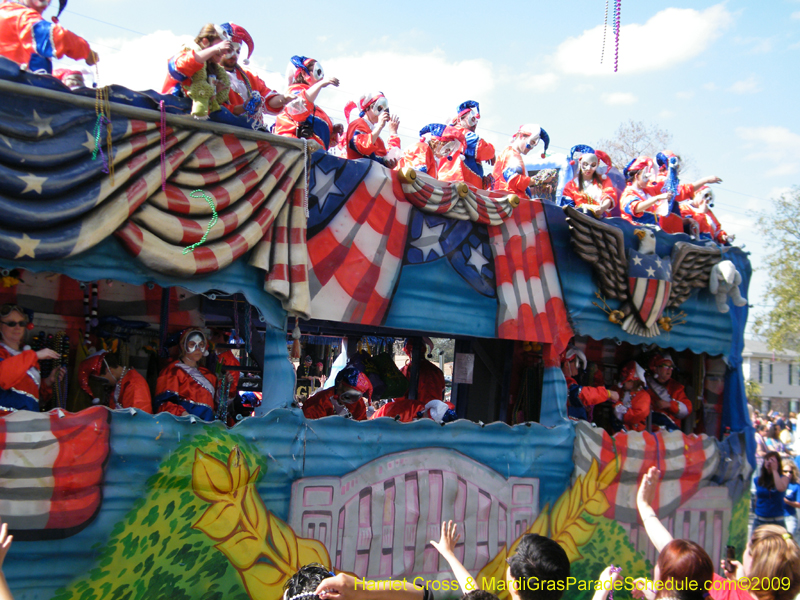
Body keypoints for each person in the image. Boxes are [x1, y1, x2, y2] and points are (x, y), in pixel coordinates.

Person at [632, 467, 722, 600]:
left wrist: (602, 590)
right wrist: (645, 506)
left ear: (667, 581)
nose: (656, 566)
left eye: (659, 564)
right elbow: (669, 549)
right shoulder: (702, 590)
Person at [218, 23, 291, 123]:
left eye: (238, 51)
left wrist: (284, 98)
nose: (234, 55)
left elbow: (267, 99)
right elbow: (215, 108)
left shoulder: (249, 75)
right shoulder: (210, 72)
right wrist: (244, 107)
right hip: (223, 131)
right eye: (229, 50)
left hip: (253, 133)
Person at [0, 0, 97, 74]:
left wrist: (63, 75)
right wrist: (86, 51)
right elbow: (54, 37)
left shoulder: (8, 12)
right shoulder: (19, 15)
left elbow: (36, 71)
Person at [161, 23, 233, 119]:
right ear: (205, 42)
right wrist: (215, 49)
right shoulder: (186, 52)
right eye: (220, 46)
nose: (224, 52)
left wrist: (215, 91)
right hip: (173, 112)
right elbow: (181, 67)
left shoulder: (214, 69)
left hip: (198, 119)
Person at [0, 304, 61, 412]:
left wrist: (48, 382)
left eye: (22, 323)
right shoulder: (28, 356)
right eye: (11, 323)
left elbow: (35, 398)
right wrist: (35, 356)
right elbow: (3, 377)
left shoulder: (27, 355)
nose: (17, 328)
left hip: (27, 423)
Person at [371, 339, 447, 422]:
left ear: (407, 351)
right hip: (433, 415)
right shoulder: (437, 371)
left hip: (412, 416)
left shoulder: (406, 370)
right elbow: (442, 392)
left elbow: (399, 397)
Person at [274, 55, 340, 150]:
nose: (321, 77)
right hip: (292, 150)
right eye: (317, 72)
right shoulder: (293, 93)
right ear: (304, 74)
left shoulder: (312, 105)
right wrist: (321, 84)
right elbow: (298, 110)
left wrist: (332, 131)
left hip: (308, 153)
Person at [154, 328, 217, 421]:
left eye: (201, 345)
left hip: (206, 430)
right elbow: (164, 404)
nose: (198, 349)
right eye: (192, 344)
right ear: (183, 346)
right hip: (181, 429)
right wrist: (185, 416)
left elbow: (217, 405)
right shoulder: (172, 371)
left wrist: (227, 384)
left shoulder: (209, 375)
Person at [437, 101, 496, 189]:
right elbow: (482, 149)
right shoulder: (461, 133)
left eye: (476, 121)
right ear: (460, 119)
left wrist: (481, 182)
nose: (475, 124)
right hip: (458, 184)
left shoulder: (449, 134)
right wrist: (491, 152)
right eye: (472, 119)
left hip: (452, 182)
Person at [77, 351, 152, 412]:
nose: (104, 383)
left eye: (102, 380)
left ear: (109, 370)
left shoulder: (134, 384)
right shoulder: (120, 383)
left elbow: (137, 420)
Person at [491, 124, 549, 199]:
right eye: (531, 143)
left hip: (510, 201)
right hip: (510, 203)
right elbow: (514, 180)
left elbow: (520, 187)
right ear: (521, 136)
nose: (531, 148)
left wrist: (539, 189)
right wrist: (538, 179)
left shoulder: (511, 153)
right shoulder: (512, 154)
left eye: (534, 145)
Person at [562, 346, 618, 422]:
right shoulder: (564, 382)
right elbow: (580, 395)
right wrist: (607, 393)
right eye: (577, 362)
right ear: (566, 364)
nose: (578, 367)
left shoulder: (561, 380)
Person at [343, 92, 401, 166]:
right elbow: (361, 146)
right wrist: (379, 126)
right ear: (368, 108)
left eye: (384, 108)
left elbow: (383, 158)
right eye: (379, 108)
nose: (382, 112)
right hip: (360, 174)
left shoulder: (375, 135)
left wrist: (393, 132)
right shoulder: (358, 124)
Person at [560, 148, 618, 217]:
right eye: (585, 164)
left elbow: (609, 195)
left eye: (593, 165)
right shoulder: (571, 185)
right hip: (579, 219)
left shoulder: (604, 181)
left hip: (602, 219)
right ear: (580, 164)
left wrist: (602, 208)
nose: (589, 168)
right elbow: (567, 205)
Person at [302, 365, 371, 420]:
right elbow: (311, 429)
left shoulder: (358, 403)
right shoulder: (320, 401)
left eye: (356, 396)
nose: (352, 401)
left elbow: (361, 427)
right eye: (350, 394)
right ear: (340, 384)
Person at [620, 156, 672, 227]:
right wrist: (657, 198)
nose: (648, 180)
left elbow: (665, 184)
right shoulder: (628, 192)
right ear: (636, 176)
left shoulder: (648, 190)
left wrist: (672, 169)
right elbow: (636, 208)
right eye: (645, 177)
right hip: (635, 232)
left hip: (653, 231)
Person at [645, 354, 692, 432]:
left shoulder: (677, 387)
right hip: (649, 431)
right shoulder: (644, 385)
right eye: (665, 366)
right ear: (655, 368)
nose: (669, 370)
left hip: (671, 434)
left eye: (671, 367)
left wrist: (670, 405)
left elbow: (687, 410)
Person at [753, 451, 789, 531]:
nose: (769, 462)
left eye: (772, 460)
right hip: (760, 520)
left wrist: (774, 471)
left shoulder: (783, 478)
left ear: (778, 463)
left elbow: (780, 488)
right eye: (767, 459)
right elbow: (757, 498)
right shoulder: (758, 480)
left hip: (776, 521)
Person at [611, 360, 651, 432]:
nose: (623, 382)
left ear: (634, 381)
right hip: (615, 433)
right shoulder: (620, 390)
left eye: (626, 379)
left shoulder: (644, 397)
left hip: (634, 437)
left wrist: (617, 404)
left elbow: (633, 417)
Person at [784, 462, 800, 535]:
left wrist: (787, 501)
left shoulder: (795, 486)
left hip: (789, 517)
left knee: (788, 541)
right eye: (785, 471)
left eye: (790, 472)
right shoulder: (776, 484)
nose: (788, 474)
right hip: (776, 517)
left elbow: (798, 504)